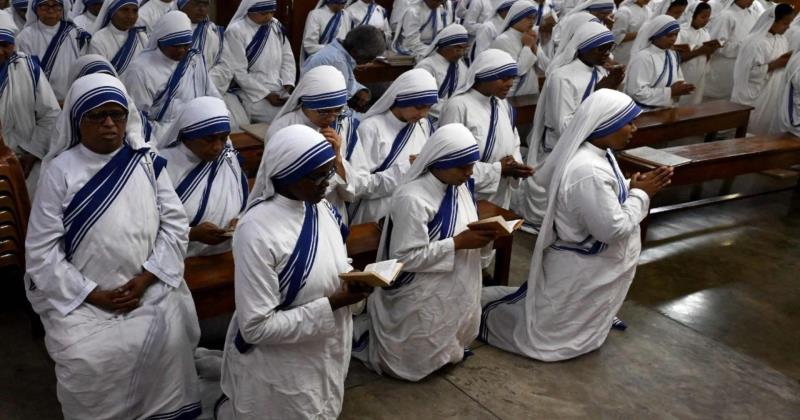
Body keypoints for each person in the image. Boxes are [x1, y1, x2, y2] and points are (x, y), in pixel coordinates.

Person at [25, 73, 202, 419]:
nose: (109, 124)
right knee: (87, 358)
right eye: (97, 116)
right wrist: (94, 294)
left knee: (170, 336)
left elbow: (175, 225)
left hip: (145, 284)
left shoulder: (146, 161)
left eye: (117, 115)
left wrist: (146, 278)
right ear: (78, 121)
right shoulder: (59, 172)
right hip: (80, 296)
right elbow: (43, 252)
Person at [480, 89, 673, 362]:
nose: (634, 128)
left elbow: (602, 197)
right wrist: (642, 194)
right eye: (628, 122)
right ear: (605, 124)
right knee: (549, 336)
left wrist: (631, 185)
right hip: (582, 262)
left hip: (591, 262)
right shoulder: (588, 169)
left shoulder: (601, 154)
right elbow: (611, 229)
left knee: (577, 319)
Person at [216, 124, 370, 420]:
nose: (328, 182)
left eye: (329, 171)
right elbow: (256, 327)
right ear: (286, 174)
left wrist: (354, 279)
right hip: (283, 364)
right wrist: (333, 303)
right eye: (318, 176)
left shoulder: (322, 208)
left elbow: (336, 262)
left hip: (326, 348)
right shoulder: (256, 230)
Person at [352, 123, 496, 381]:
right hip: (422, 287)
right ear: (440, 162)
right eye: (462, 167)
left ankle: (446, 354)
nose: (469, 173)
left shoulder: (460, 187)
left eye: (472, 165)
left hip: (456, 280)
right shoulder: (413, 198)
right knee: (416, 354)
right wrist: (458, 243)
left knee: (450, 331)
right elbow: (406, 257)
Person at [516, 21, 621, 226]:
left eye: (609, 49)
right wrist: (599, 92)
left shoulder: (601, 73)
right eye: (601, 49)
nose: (606, 54)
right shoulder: (562, 76)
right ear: (583, 47)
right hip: (560, 147)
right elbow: (563, 126)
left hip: (589, 146)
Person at [258, 65, 360, 221]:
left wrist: (338, 160)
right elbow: (279, 180)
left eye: (338, 110)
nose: (331, 118)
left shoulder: (343, 124)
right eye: (324, 112)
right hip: (293, 213)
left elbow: (357, 182)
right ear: (307, 103)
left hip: (332, 211)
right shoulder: (283, 128)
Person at [439, 49, 534, 209]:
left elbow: (514, 140)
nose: (510, 84)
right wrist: (498, 169)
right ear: (484, 77)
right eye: (504, 78)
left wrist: (515, 165)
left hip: (501, 191)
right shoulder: (458, 106)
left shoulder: (503, 104)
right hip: (468, 193)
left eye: (512, 78)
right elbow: (449, 159)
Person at [160, 96, 248, 258]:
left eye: (223, 138)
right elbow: (147, 224)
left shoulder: (228, 157)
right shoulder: (162, 165)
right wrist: (191, 233)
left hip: (228, 252)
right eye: (209, 139)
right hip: (179, 257)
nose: (218, 147)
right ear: (188, 134)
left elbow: (242, 197)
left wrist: (239, 219)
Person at [350, 68, 439, 224]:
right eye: (419, 106)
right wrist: (406, 169)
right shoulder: (371, 128)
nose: (424, 114)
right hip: (375, 215)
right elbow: (358, 186)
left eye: (429, 107)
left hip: (414, 213)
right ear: (402, 99)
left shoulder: (422, 125)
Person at [123, 10, 220, 145]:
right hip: (160, 137)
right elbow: (137, 118)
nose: (182, 50)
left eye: (186, 45)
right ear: (161, 41)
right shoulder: (140, 70)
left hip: (198, 128)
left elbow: (212, 94)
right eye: (175, 46)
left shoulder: (194, 60)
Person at [0, 11, 60, 193]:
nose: (0, 52)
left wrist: (33, 152)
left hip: (26, 163)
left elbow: (50, 114)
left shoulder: (27, 68)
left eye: (5, 45)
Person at [214, 0, 296, 124]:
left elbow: (287, 57)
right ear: (250, 10)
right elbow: (239, 72)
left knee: (299, 113)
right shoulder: (236, 31)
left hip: (279, 89)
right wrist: (266, 94)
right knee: (283, 120)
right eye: (264, 13)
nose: (269, 16)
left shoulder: (275, 25)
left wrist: (287, 83)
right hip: (251, 94)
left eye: (272, 12)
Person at [731, 3, 793, 135]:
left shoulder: (782, 39)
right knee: (750, 128)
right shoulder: (755, 42)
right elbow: (747, 72)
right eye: (785, 23)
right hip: (755, 94)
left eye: (789, 23)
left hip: (772, 92)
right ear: (772, 20)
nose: (788, 27)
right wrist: (775, 64)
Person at [16, 0, 90, 101]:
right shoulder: (25, 37)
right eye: (45, 5)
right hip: (40, 102)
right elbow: (25, 75)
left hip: (73, 99)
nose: (51, 10)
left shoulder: (76, 34)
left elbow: (84, 67)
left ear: (63, 8)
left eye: (56, 5)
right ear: (36, 9)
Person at [301, 24, 385, 113]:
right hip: (316, 111)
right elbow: (339, 106)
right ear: (355, 52)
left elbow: (348, 80)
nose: (369, 62)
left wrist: (360, 90)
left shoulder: (338, 51)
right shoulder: (337, 61)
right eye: (369, 58)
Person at [623, 15, 694, 108]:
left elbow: (678, 79)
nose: (673, 39)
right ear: (656, 35)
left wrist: (683, 87)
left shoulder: (672, 55)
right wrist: (670, 92)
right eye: (669, 35)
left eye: (676, 34)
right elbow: (636, 92)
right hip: (644, 112)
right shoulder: (643, 58)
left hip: (667, 109)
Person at [704, 0, 759, 99]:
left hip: (742, 68)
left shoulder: (754, 16)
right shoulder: (726, 16)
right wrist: (743, 47)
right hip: (723, 68)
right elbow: (716, 45)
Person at [414, 23, 468, 121]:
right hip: (428, 119)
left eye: (464, 49)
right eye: (458, 49)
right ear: (445, 46)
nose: (461, 53)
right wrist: (453, 109)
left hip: (457, 116)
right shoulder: (426, 67)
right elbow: (425, 99)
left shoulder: (462, 67)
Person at [490, 0, 544, 96]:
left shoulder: (531, 37)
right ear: (516, 17)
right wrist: (527, 47)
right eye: (528, 18)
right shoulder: (503, 40)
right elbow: (517, 71)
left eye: (534, 18)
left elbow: (545, 67)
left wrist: (534, 47)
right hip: (511, 95)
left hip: (532, 93)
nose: (532, 22)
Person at [674, 1, 718, 104]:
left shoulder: (705, 33)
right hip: (683, 73)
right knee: (680, 103)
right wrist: (699, 51)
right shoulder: (681, 32)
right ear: (692, 15)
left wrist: (710, 50)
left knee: (695, 102)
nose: (706, 20)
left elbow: (706, 56)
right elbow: (676, 57)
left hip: (699, 75)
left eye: (708, 18)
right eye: (703, 17)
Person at [86, 0, 147, 76]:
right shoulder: (99, 39)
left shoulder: (141, 36)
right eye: (125, 10)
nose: (130, 16)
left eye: (135, 11)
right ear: (112, 11)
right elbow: (99, 74)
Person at [178, 0, 224, 68]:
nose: (202, 9)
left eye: (205, 4)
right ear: (183, 5)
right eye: (197, 4)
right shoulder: (170, 28)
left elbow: (221, 65)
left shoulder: (213, 32)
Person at [612, 0, 653, 66]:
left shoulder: (649, 11)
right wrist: (642, 33)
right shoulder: (625, 11)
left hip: (640, 56)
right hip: (624, 55)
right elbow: (616, 37)